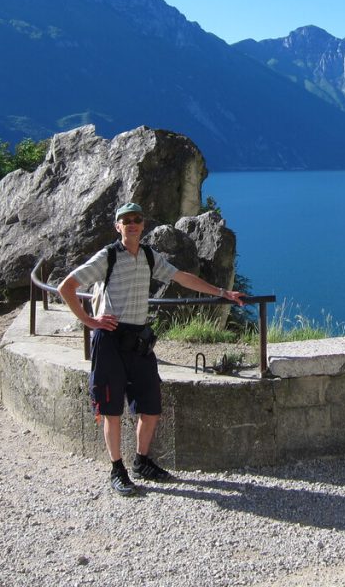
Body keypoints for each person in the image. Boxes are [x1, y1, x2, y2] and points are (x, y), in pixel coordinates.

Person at [59, 202, 246, 496]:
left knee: (151, 406)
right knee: (111, 410)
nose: (132, 224)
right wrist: (89, 321)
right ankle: (117, 469)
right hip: (109, 339)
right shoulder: (107, 257)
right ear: (117, 226)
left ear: (143, 225)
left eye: (136, 219)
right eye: (126, 220)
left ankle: (142, 461)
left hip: (138, 340)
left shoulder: (148, 256)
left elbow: (181, 276)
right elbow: (66, 286)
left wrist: (222, 292)